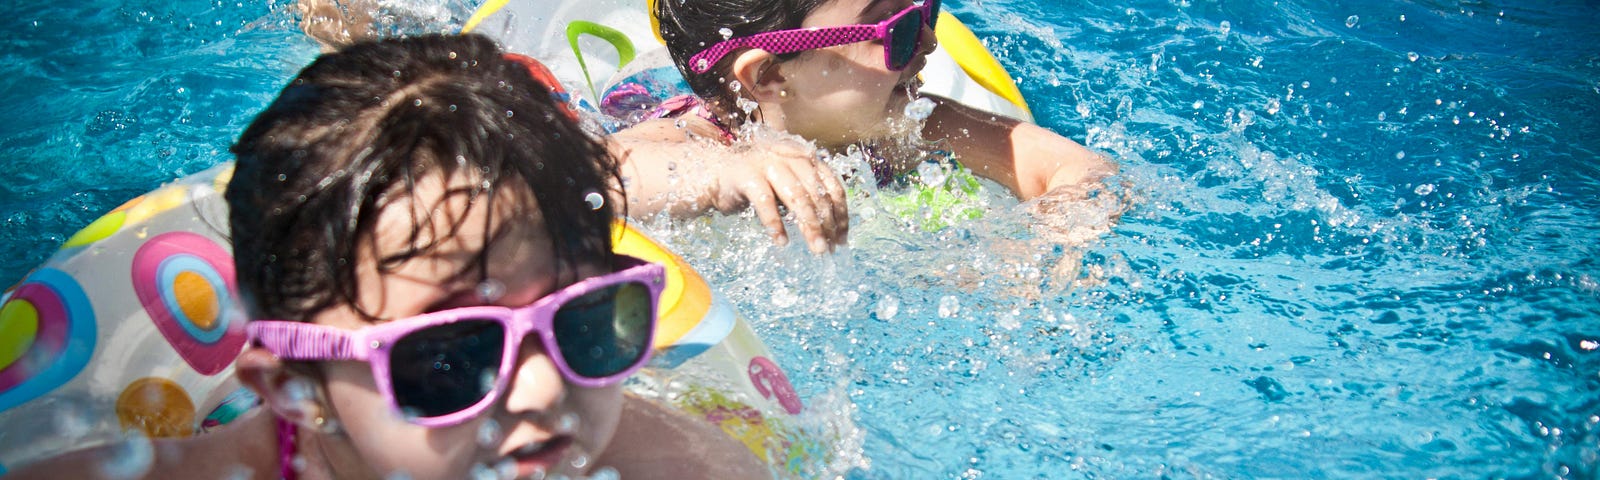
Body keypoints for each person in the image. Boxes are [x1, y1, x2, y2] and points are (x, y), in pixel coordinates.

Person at [1, 33, 766, 480]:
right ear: (297, 387)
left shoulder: (647, 452)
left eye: (589, 324)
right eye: (450, 358)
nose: (540, 388)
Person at [612, 0, 1120, 251]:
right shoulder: (694, 139)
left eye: (927, 11)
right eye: (896, 31)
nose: (928, 45)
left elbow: (1079, 169)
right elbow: (589, 178)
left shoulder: (907, 125)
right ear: (768, 74)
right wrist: (724, 172)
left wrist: (1046, 246)